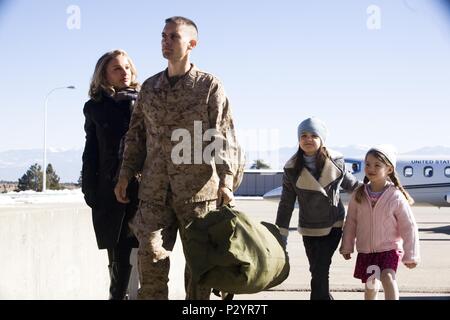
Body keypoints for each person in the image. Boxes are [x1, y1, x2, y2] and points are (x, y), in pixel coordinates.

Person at [114, 16, 242, 300]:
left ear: (192, 44)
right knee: (150, 259)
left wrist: (227, 181)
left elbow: (223, 135)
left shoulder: (208, 86)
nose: (166, 42)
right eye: (163, 36)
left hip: (198, 193)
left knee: (200, 270)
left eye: (174, 37)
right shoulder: (149, 88)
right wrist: (125, 174)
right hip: (154, 192)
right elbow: (136, 136)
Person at [275, 117, 360, 300]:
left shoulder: (336, 161)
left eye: (314, 135)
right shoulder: (291, 168)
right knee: (316, 271)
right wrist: (280, 233)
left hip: (333, 225)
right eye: (303, 135)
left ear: (322, 139)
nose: (308, 139)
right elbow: (286, 203)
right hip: (309, 227)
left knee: (321, 269)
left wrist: (378, 189)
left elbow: (351, 184)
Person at [81, 49, 140, 300]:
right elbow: (91, 151)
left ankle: (119, 295)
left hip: (139, 188)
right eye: (117, 68)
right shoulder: (95, 108)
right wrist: (89, 189)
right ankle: (119, 294)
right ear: (104, 74)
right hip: (106, 189)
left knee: (128, 246)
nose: (124, 72)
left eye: (127, 67)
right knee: (113, 248)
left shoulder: (143, 101)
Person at [340, 145, 420, 300]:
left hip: (389, 249)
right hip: (367, 251)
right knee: (371, 286)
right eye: (368, 164)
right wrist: (347, 246)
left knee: (387, 277)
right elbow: (350, 222)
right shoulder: (359, 194)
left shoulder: (395, 196)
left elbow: (408, 226)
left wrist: (411, 255)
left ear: (389, 169)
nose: (371, 168)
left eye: (377, 165)